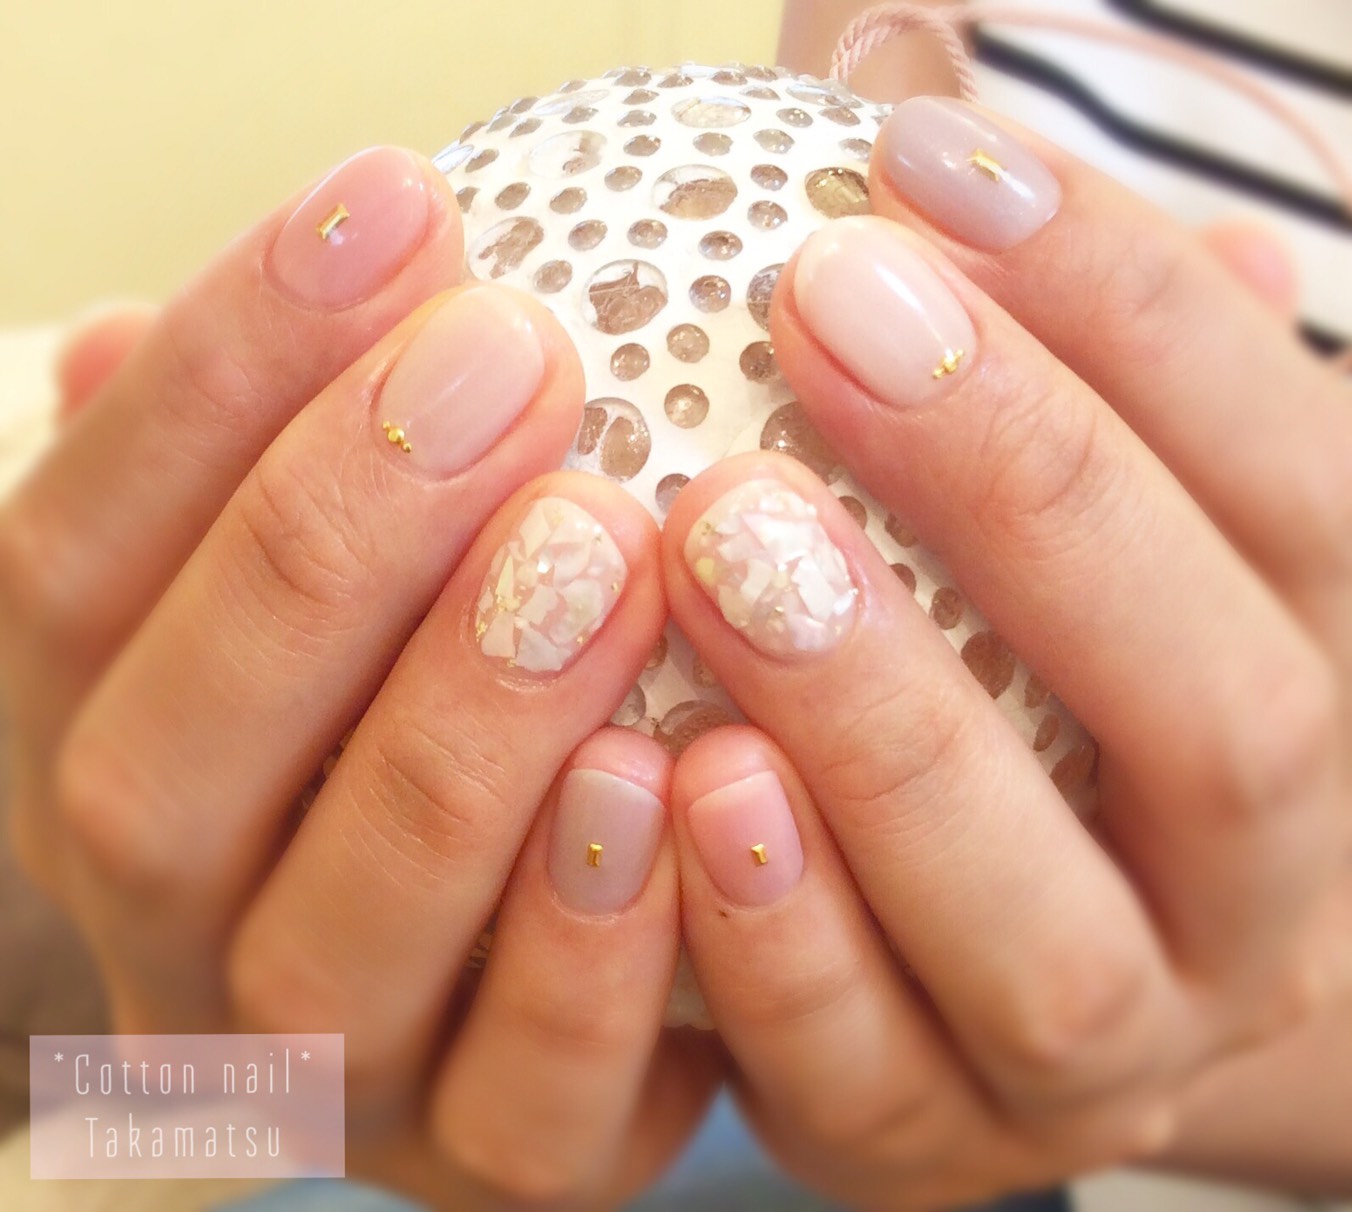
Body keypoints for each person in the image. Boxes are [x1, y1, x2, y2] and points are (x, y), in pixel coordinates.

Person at [1, 2, 1349, 1210]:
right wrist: (210, 1073)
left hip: (1082, 1119)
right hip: (441, 986)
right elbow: (775, 228)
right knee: (152, 1109)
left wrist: (1186, 1059)